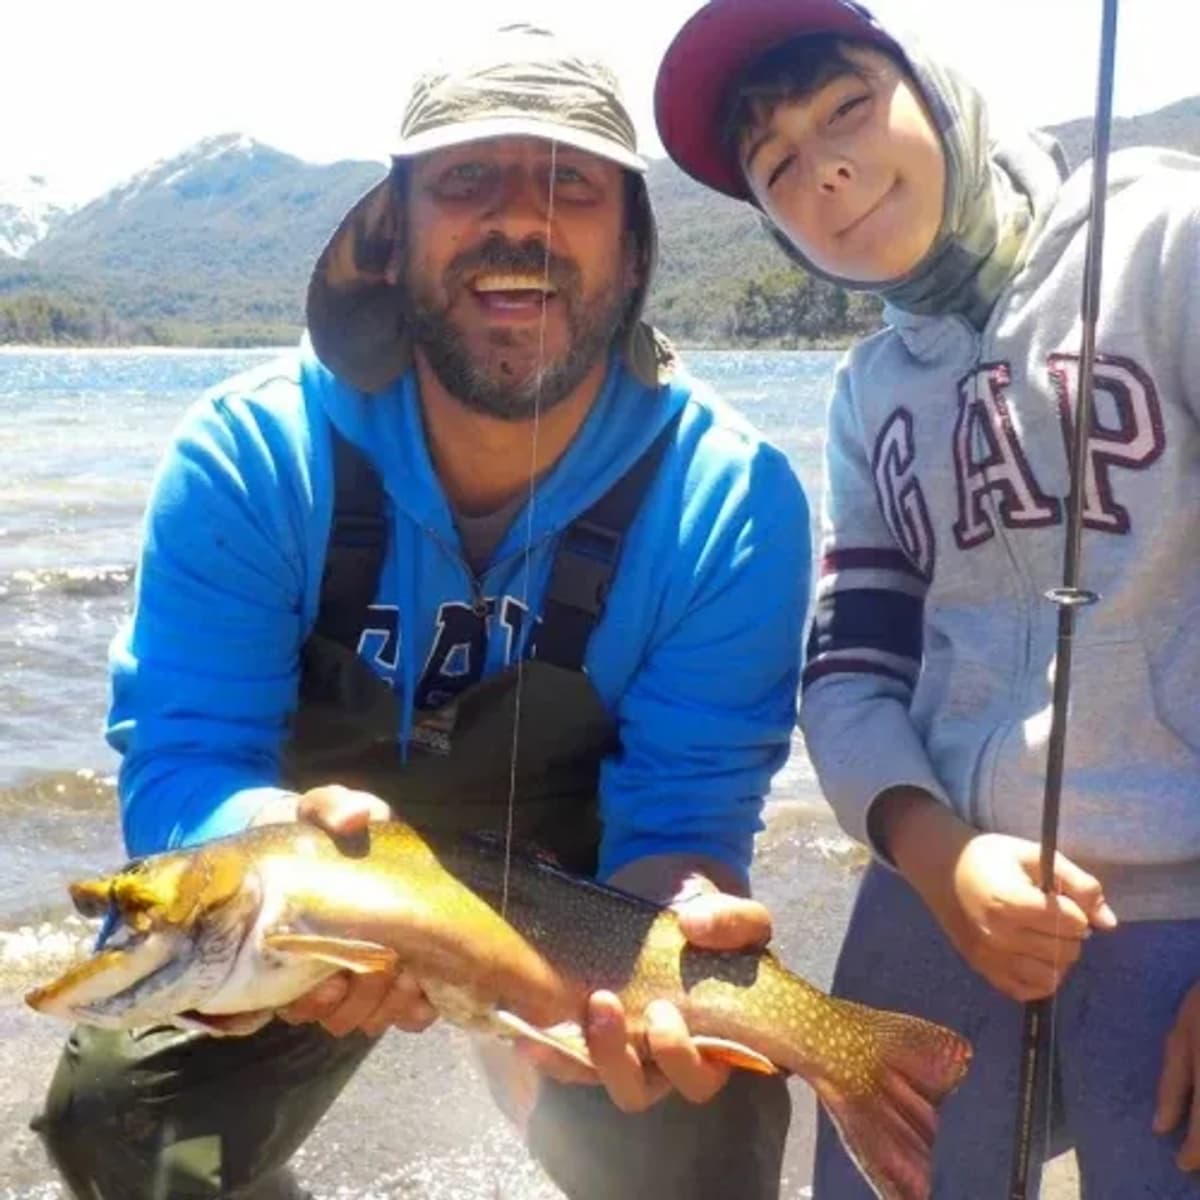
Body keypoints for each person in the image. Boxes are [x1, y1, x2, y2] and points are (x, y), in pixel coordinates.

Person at [33, 23, 811, 1200]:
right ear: (391, 238)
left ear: (637, 248)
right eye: (465, 180)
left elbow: (683, 821)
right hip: (306, 922)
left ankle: (527, 1058)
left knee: (711, 1109)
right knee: (114, 1113)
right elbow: (185, 763)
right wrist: (280, 850)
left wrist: (683, 914)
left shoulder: (732, 502)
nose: (518, 218)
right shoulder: (251, 457)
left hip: (578, 913)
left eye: (573, 186)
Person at [655, 1, 1200, 1197]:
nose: (827, 168)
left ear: (938, 92)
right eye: (776, 163)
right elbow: (853, 671)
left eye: (847, 106)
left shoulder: (1170, 238)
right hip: (937, 896)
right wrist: (935, 853)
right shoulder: (866, 396)